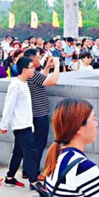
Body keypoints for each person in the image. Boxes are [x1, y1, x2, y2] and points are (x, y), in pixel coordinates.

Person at [0, 56, 40, 190]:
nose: (33, 70)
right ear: (24, 70)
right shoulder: (15, 84)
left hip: (26, 123)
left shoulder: (24, 83)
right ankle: (33, 181)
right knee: (31, 152)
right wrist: (4, 125)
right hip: (20, 125)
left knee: (19, 152)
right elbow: (9, 105)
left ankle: (10, 177)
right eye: (31, 67)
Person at [26, 48, 60, 180]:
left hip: (34, 113)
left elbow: (41, 79)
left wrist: (47, 68)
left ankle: (29, 170)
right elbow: (53, 81)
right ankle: (34, 172)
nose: (39, 59)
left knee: (33, 144)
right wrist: (57, 65)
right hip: (39, 114)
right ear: (32, 60)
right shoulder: (33, 74)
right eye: (38, 57)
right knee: (39, 144)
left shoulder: (30, 73)